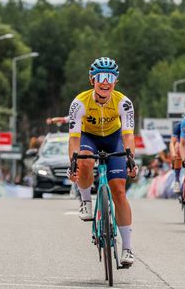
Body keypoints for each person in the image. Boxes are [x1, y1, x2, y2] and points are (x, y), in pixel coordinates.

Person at [67, 57, 137, 266]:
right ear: (92, 80)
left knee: (119, 191)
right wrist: (73, 163)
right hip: (89, 138)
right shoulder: (79, 103)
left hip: (113, 138)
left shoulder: (124, 102)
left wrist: (131, 160)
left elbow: (128, 136)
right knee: (85, 161)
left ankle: (127, 249)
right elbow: (74, 139)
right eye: (101, 78)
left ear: (115, 81)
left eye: (110, 78)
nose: (105, 82)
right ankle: (86, 201)